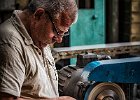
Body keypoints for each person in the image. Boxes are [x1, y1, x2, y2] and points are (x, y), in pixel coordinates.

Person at [0, 0, 78, 99]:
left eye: (63, 33)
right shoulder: (10, 42)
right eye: (57, 31)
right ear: (39, 15)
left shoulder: (38, 35)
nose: (59, 39)